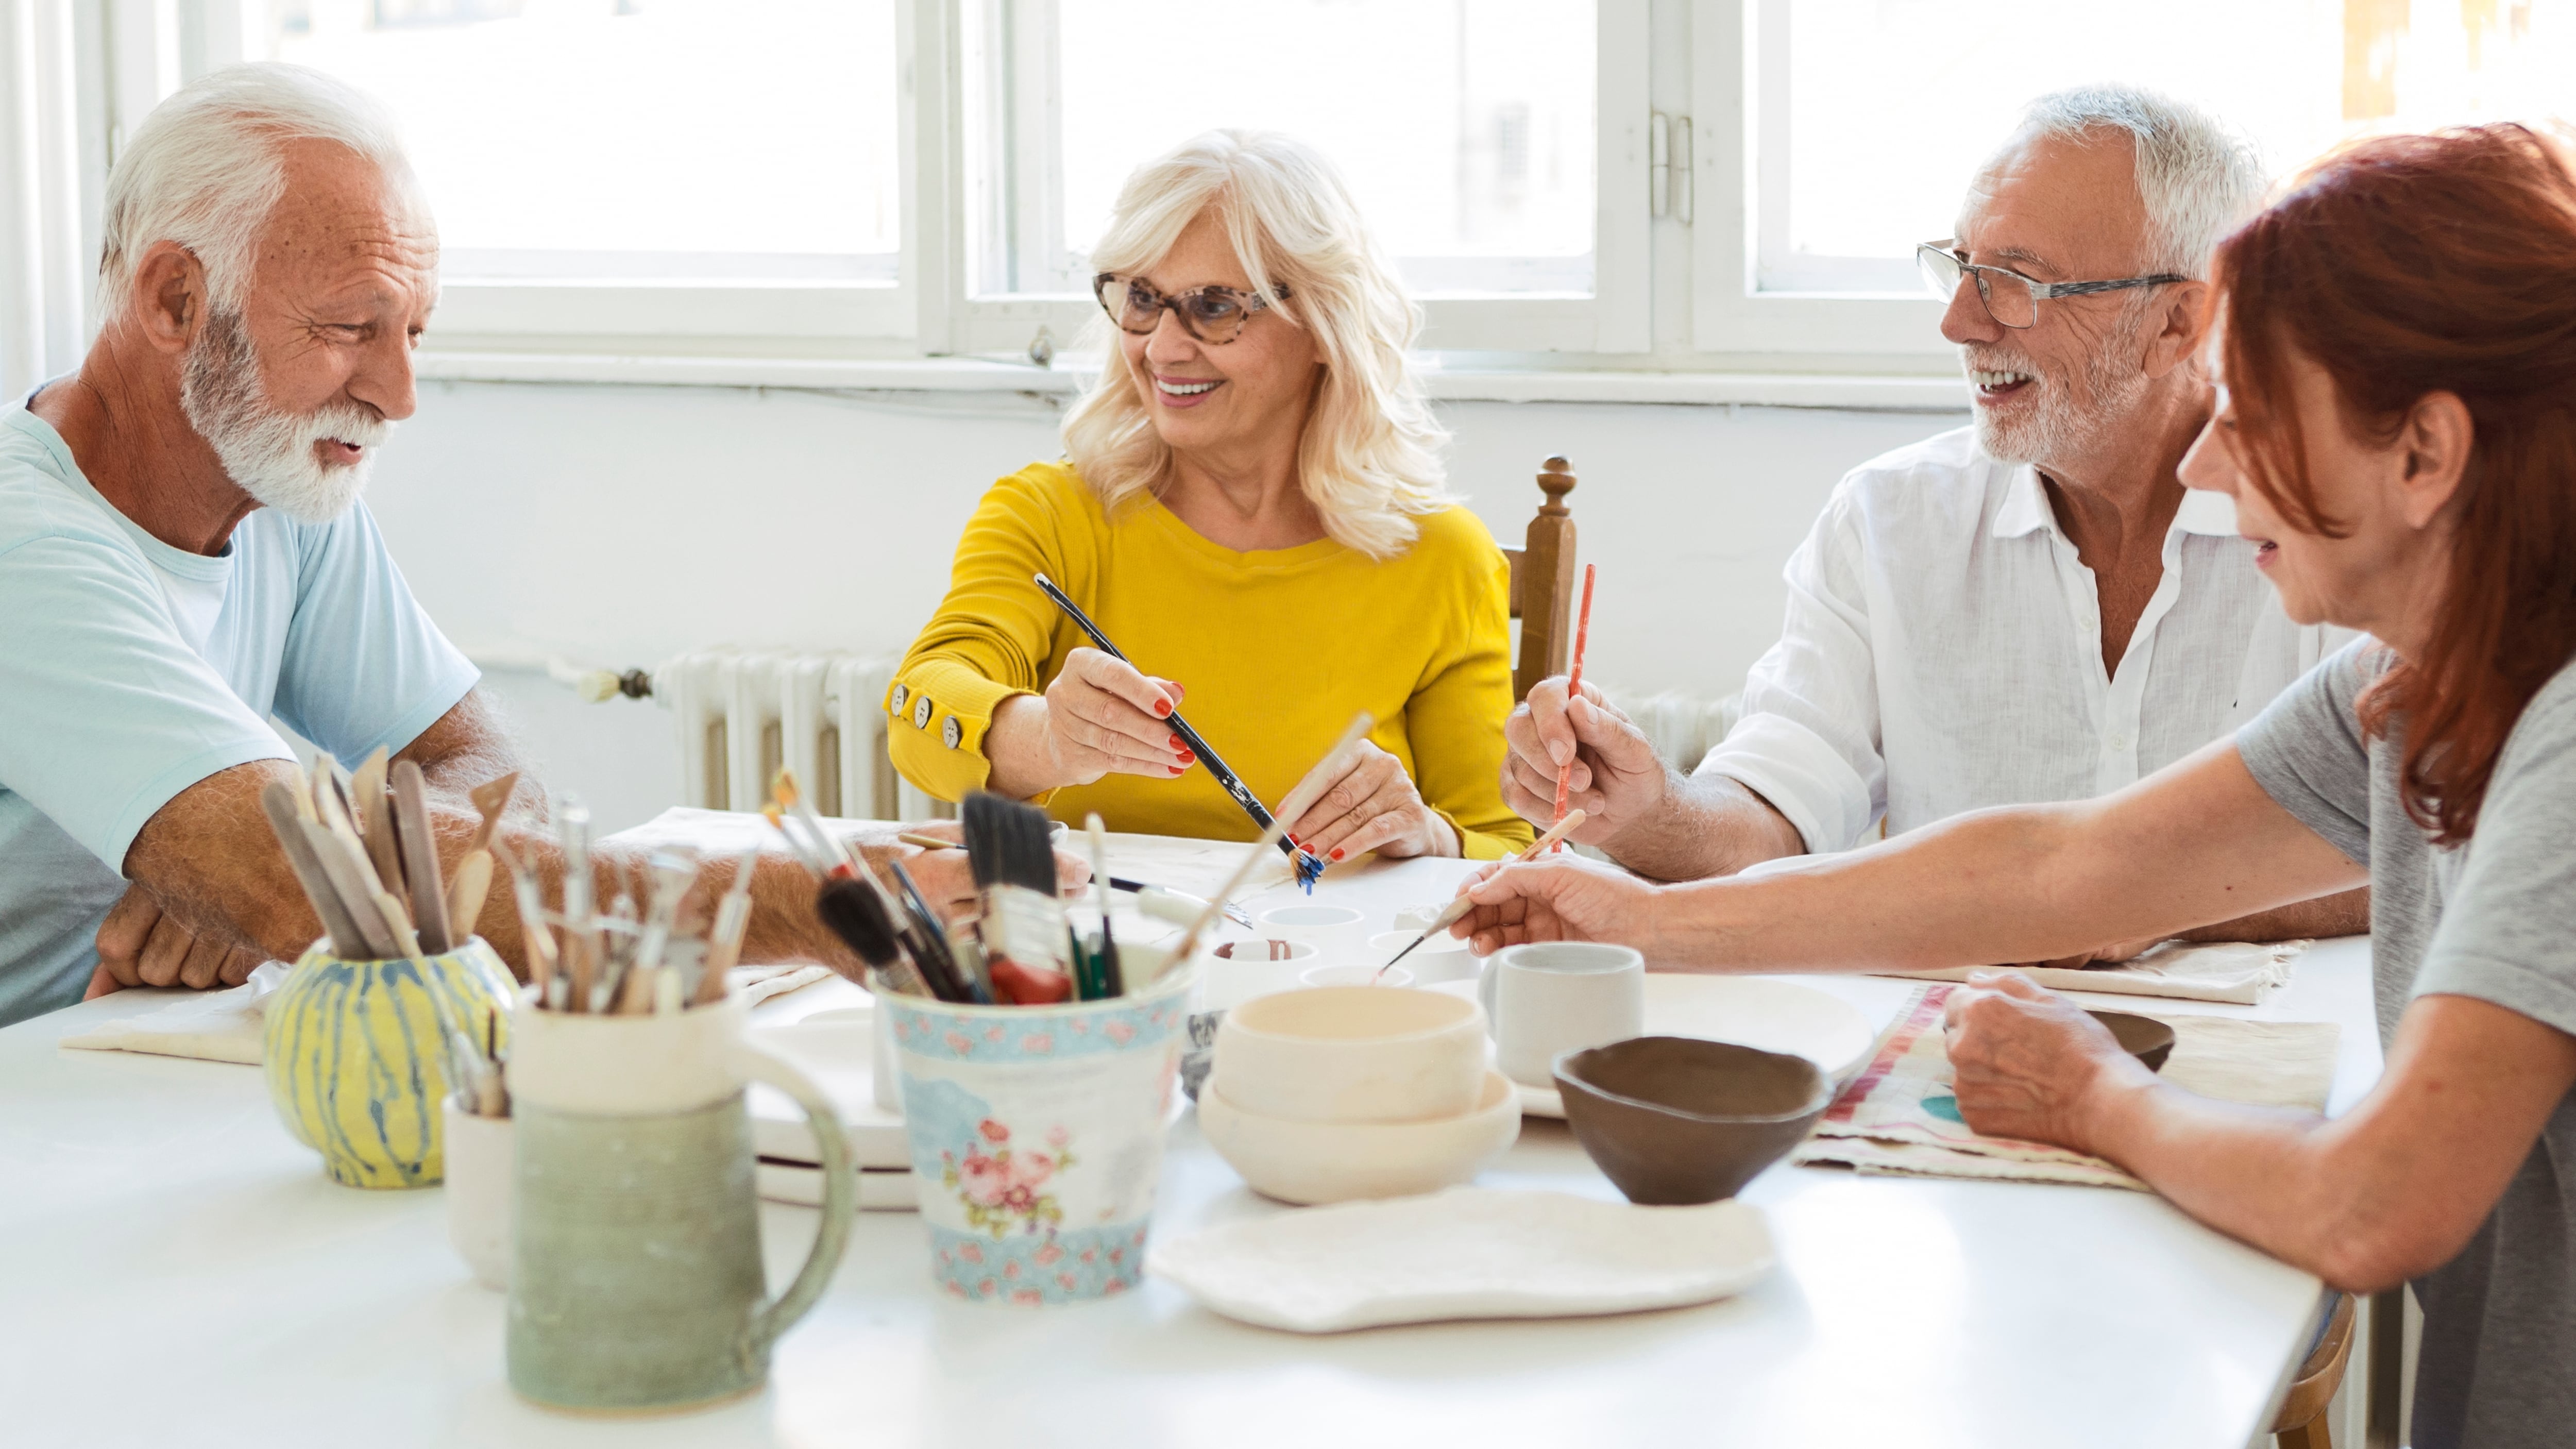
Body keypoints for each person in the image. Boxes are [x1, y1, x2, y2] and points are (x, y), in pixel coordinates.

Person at [1454, 124, 2576, 1448]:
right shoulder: (2409, 682)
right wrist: (1643, 919)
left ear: (2426, 453)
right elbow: (2067, 865)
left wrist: (2096, 1097)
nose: (2208, 466)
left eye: (2255, 417)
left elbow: (2365, 1207)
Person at [0, 65, 1016, 1028]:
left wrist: (306, 859)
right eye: (351, 327)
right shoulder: (26, 540)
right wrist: (802, 905)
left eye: (414, 332)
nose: (399, 396)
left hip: (127, 1064)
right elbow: (289, 890)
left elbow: (485, 771)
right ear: (176, 300)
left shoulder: (279, 489)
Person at [1503, 85, 2366, 959]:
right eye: (1960, 267)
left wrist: (2141, 903)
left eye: (2015, 282)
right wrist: (1648, 810)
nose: (1959, 322)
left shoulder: (2343, 531)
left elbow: (2419, 844)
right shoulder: (1890, 520)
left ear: (2179, 322)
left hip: (2284, 1033)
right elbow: (1772, 817)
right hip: (1953, 1026)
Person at [890, 130, 1531, 863]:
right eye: (1143, 299)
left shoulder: (1441, 558)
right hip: (1106, 935)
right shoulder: (1049, 514)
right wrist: (1049, 740)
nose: (1162, 349)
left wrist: (1427, 834)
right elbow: (917, 713)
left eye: (1216, 307)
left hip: (1326, 936)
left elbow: (1506, 845)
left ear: (1326, 325)